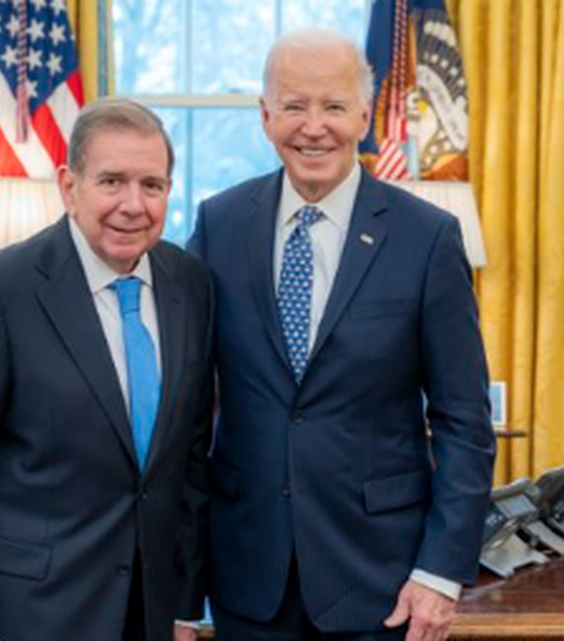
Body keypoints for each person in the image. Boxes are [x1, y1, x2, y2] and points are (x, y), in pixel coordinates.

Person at [187, 29, 496, 641]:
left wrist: (440, 571)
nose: (314, 127)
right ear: (266, 116)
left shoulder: (427, 237)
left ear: (364, 113)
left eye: (333, 106)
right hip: (247, 577)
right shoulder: (218, 224)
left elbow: (463, 418)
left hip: (382, 581)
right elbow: (186, 403)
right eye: (295, 106)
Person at [0, 98, 214, 641]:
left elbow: (189, 461)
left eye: (152, 185)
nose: (133, 204)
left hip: (150, 614)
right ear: (68, 185)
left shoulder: (190, 285)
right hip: (29, 614)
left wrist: (183, 605)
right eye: (111, 182)